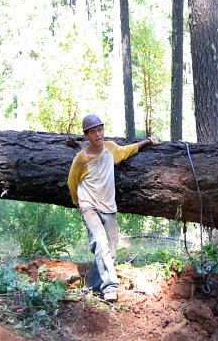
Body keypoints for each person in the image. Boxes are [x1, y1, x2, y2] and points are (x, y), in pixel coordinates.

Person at [67, 114, 156, 302]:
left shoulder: (111, 149)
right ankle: (110, 288)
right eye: (93, 132)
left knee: (111, 249)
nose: (98, 134)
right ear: (86, 135)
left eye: (100, 130)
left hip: (108, 207)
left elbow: (127, 151)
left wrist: (147, 142)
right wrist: (78, 202)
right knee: (100, 242)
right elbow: (71, 181)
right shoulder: (81, 158)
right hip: (89, 206)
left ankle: (91, 283)